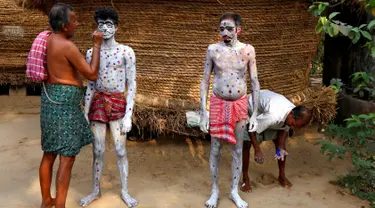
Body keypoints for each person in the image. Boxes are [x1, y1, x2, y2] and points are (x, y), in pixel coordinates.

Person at [39, 3, 103, 208]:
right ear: (65, 26)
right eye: (74, 21)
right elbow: (91, 73)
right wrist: (97, 45)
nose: (77, 24)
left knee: (49, 154)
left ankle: (46, 201)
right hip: (65, 105)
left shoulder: (48, 39)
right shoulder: (67, 46)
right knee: (66, 158)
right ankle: (60, 206)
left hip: (50, 101)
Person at [199, 12, 260, 208]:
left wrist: (256, 114)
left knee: (238, 149)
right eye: (222, 29)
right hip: (218, 103)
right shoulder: (212, 50)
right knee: (215, 149)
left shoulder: (248, 51)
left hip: (240, 104)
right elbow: (204, 81)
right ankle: (215, 190)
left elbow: (254, 82)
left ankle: (234, 190)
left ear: (238, 30)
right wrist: (203, 111)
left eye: (229, 29)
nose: (225, 32)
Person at [79, 8, 137, 208]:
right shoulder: (90, 53)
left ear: (117, 27)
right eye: (101, 24)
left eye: (109, 24)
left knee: (121, 150)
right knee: (98, 149)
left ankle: (125, 191)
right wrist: (85, 112)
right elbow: (91, 85)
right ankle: (96, 190)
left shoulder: (126, 52)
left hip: (118, 103)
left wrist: (129, 115)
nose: (105, 28)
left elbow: (132, 84)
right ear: (96, 27)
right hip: (97, 103)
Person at [240, 90, 312, 193]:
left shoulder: (291, 114)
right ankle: (245, 179)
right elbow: (251, 128)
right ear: (291, 114)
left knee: (281, 149)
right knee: (247, 143)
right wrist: (257, 150)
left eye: (295, 126)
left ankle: (282, 177)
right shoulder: (273, 115)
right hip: (250, 109)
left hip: (266, 113)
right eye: (293, 124)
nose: (292, 126)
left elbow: (284, 129)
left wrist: (280, 147)